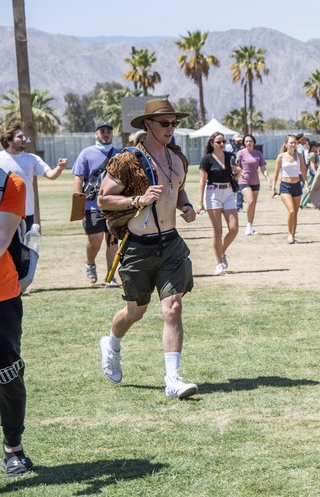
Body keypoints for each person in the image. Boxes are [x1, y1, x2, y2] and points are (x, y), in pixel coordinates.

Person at [97, 98, 199, 400]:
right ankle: (112, 344)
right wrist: (136, 200)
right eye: (164, 123)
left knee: (173, 307)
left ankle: (173, 380)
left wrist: (187, 206)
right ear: (148, 126)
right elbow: (104, 198)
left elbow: (178, 189)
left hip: (170, 243)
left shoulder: (178, 158)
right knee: (135, 312)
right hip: (138, 247)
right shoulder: (128, 160)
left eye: (174, 123)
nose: (171, 128)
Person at [0, 168, 34, 475]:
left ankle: (13, 447)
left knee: (7, 374)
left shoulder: (10, 183)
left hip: (2, 294)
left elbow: (1, 239)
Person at [72, 121, 120, 286]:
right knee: (95, 240)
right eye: (102, 131)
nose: (106, 134)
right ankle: (90, 264)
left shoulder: (119, 154)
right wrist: (78, 201)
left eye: (108, 131)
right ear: (96, 134)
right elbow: (78, 177)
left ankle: (110, 275)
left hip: (114, 205)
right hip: (92, 205)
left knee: (113, 240)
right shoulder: (86, 153)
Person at [0, 122, 67, 231]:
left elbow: (51, 175)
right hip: (3, 214)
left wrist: (59, 167)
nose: (24, 138)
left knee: (26, 247)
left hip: (26, 214)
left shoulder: (32, 159)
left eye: (24, 136)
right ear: (8, 140)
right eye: (20, 137)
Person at [197, 132, 241, 275]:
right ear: (212, 144)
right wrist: (200, 203)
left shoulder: (229, 156)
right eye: (218, 142)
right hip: (213, 193)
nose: (222, 144)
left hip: (228, 192)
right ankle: (219, 263)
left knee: (234, 229)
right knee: (218, 231)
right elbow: (202, 181)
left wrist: (238, 172)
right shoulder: (207, 159)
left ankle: (221, 252)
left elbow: (236, 172)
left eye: (223, 141)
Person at [272, 135, 308, 244]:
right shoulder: (281, 157)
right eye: (291, 143)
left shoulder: (299, 156)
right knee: (291, 210)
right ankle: (289, 234)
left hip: (297, 186)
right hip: (285, 186)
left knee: (295, 213)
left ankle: (293, 234)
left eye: (294, 143)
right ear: (286, 144)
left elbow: (303, 171)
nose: (293, 145)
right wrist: (273, 188)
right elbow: (276, 173)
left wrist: (306, 185)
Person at [236, 134, 272, 236]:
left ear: (253, 142)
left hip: (255, 182)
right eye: (246, 141)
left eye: (250, 141)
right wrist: (240, 172)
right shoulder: (240, 153)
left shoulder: (258, 154)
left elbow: (263, 169)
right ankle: (248, 226)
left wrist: (269, 181)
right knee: (250, 201)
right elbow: (235, 166)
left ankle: (251, 226)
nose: (248, 143)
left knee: (253, 205)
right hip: (244, 181)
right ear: (244, 143)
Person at [228, 133, 244, 212]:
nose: (239, 142)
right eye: (237, 141)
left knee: (239, 189)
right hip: (230, 171)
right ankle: (231, 205)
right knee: (230, 190)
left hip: (238, 170)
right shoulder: (228, 147)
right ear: (233, 141)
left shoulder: (241, 148)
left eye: (240, 141)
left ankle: (239, 207)